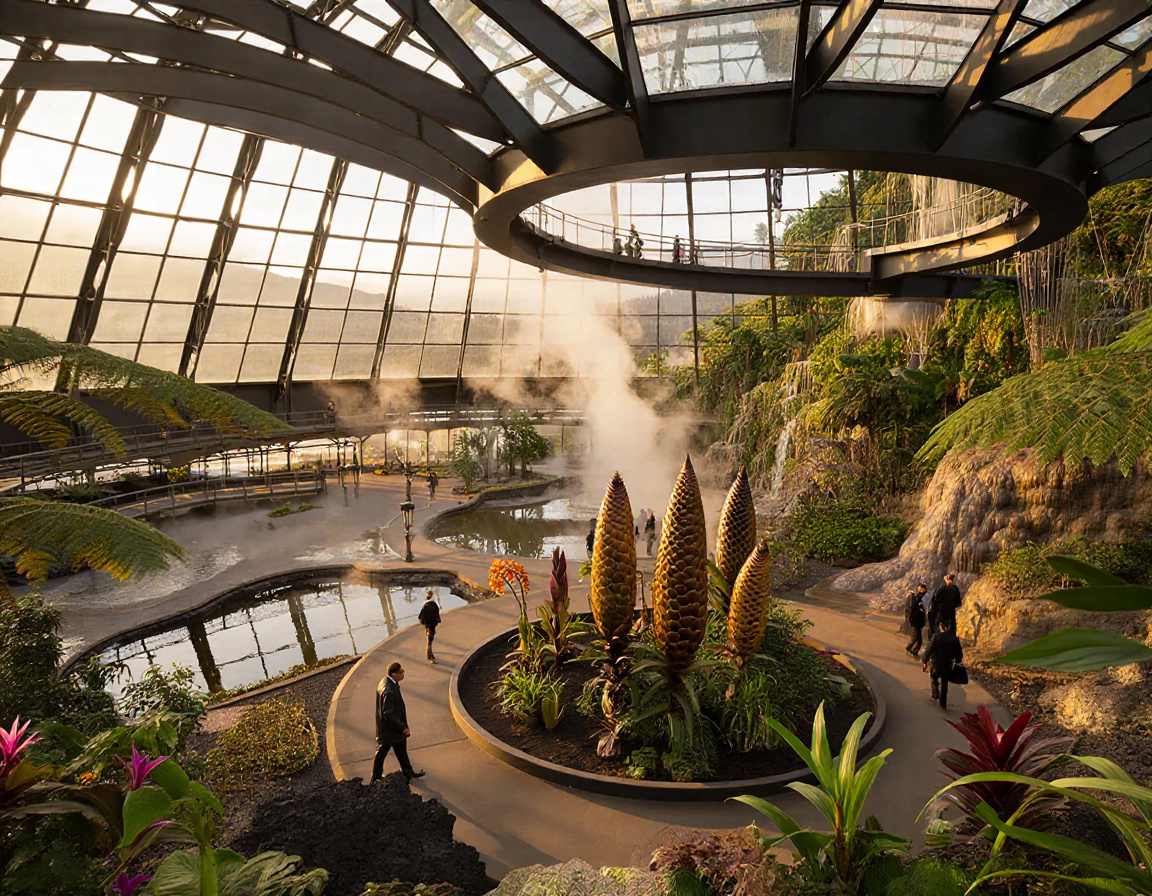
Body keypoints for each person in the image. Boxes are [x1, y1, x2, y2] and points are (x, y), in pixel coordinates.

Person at [371, 662, 425, 782]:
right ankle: (375, 778)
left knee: (401, 750)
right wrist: (402, 727)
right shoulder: (389, 691)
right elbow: (388, 713)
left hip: (392, 729)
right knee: (382, 752)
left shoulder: (386, 682)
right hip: (390, 730)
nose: (403, 674)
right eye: (401, 672)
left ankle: (408, 773)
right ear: (393, 674)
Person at [922, 619, 963, 710]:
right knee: (945, 686)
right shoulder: (955, 639)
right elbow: (959, 655)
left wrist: (925, 661)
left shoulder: (936, 636)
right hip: (947, 667)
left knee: (933, 677)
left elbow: (928, 649)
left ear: (942, 626)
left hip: (936, 665)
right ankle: (943, 704)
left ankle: (935, 694)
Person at [903, 583, 928, 658]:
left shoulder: (916, 596)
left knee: (917, 637)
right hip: (917, 620)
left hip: (916, 620)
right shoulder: (919, 597)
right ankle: (911, 649)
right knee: (917, 637)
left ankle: (912, 649)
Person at [418, 590, 441, 664]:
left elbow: (420, 617)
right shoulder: (434, 605)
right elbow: (437, 615)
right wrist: (438, 620)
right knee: (430, 639)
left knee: (429, 637)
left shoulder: (425, 605)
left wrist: (423, 622)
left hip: (427, 624)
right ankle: (430, 655)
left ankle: (429, 653)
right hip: (432, 625)